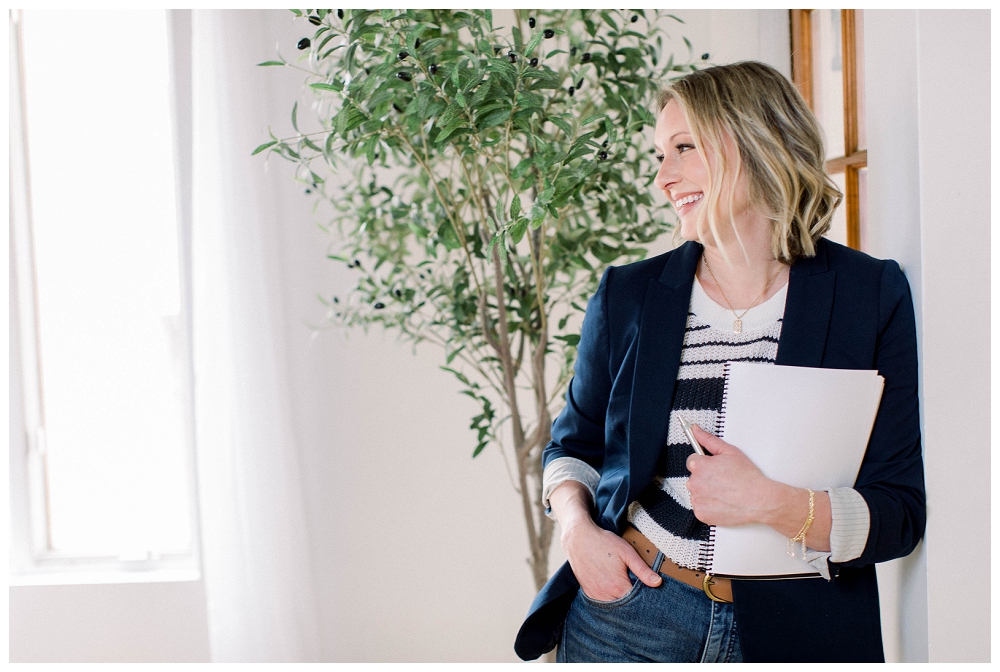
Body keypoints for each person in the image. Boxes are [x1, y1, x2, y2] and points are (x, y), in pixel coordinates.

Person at [513, 61, 924, 663]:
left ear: (757, 142)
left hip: (801, 628)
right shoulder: (627, 296)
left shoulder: (869, 295)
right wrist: (578, 534)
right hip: (632, 614)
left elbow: (899, 512)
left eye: (684, 147)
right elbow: (571, 448)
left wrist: (769, 503)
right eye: (659, 154)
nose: (663, 177)